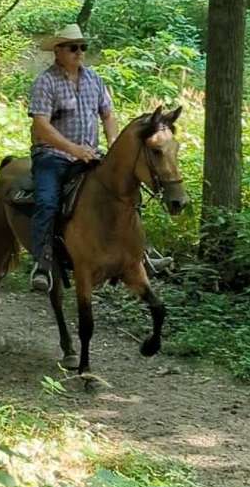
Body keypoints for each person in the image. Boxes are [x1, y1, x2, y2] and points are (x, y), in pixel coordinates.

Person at [28, 23, 172, 292]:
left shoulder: (95, 80)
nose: (79, 52)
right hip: (53, 156)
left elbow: (107, 115)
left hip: (90, 154)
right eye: (73, 47)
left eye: (83, 47)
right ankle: (43, 262)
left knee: (128, 193)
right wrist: (73, 149)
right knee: (47, 202)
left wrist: (114, 147)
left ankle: (142, 253)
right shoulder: (45, 82)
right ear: (58, 51)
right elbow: (41, 126)